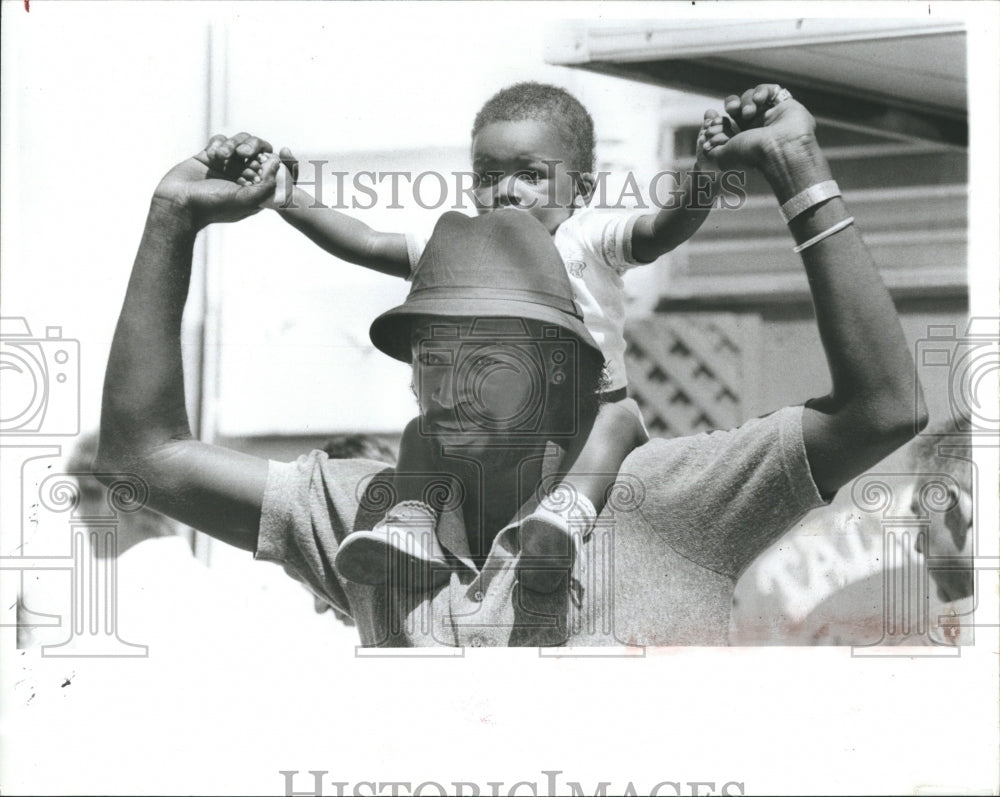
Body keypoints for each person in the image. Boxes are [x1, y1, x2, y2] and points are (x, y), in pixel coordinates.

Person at [98, 84, 927, 646]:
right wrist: (173, 218)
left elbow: (884, 408)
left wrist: (798, 173)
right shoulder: (370, 520)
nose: (448, 386)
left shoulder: (675, 502)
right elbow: (143, 460)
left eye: (488, 356)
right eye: (430, 354)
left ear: (561, 367)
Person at [230, 83, 730, 591]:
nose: (506, 191)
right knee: (422, 431)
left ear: (580, 190)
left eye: (530, 175)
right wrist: (289, 198)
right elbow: (369, 242)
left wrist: (705, 174)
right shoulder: (461, 246)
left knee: (617, 421)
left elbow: (662, 230)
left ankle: (565, 516)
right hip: (494, 411)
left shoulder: (587, 239)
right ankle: (412, 523)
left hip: (586, 407)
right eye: (488, 177)